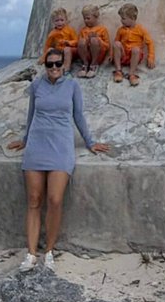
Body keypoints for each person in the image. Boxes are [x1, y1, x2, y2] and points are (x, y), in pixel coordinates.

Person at [6, 51, 107, 270]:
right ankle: (31, 254)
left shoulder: (72, 86)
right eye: (50, 64)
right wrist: (24, 140)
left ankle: (49, 251)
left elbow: (78, 115)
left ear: (63, 65)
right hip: (37, 145)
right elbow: (31, 113)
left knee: (54, 199)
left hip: (60, 146)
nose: (53, 68)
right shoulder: (37, 85)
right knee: (34, 200)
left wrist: (90, 142)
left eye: (57, 64)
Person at [111, 2, 155, 86]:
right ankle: (118, 71)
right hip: (124, 56)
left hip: (135, 56)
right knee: (116, 43)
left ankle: (131, 74)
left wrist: (151, 57)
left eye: (123, 18)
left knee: (136, 49)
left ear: (133, 18)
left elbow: (150, 43)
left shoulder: (140, 29)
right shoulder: (121, 30)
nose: (121, 20)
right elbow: (115, 43)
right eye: (121, 18)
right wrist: (111, 54)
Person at [76, 4, 110, 78]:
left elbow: (107, 46)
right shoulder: (83, 30)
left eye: (88, 18)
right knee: (81, 41)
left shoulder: (102, 29)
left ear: (96, 17)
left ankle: (93, 65)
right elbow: (78, 45)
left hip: (98, 56)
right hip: (86, 55)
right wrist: (86, 40)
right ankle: (85, 64)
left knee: (94, 40)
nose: (86, 21)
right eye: (84, 18)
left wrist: (98, 39)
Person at [40, 7, 77, 74]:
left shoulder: (70, 30)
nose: (59, 23)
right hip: (59, 52)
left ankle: (66, 69)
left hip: (70, 51)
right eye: (57, 21)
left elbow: (76, 41)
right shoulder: (52, 33)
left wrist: (69, 42)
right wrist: (44, 55)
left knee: (67, 49)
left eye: (62, 20)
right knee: (50, 49)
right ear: (53, 22)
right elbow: (47, 45)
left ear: (66, 20)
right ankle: (49, 64)